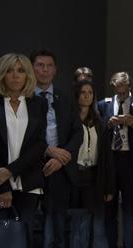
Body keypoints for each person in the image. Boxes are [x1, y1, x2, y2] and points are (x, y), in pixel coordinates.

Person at [0, 53, 48, 245]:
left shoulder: (39, 104)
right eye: (10, 70)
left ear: (28, 75)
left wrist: (10, 171)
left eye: (20, 71)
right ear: (1, 74)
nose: (16, 75)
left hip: (28, 181)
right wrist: (3, 185)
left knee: (23, 239)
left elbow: (40, 144)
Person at [30, 49, 82, 248]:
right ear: (32, 69)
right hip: (30, 167)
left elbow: (77, 132)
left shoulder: (66, 99)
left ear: (55, 70)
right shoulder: (23, 98)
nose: (44, 70)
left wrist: (61, 157)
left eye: (49, 66)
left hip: (60, 169)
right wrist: (47, 151)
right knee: (29, 222)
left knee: (59, 224)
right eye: (40, 65)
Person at [97, 72, 133, 248]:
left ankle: (130, 244)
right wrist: (108, 123)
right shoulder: (103, 105)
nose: (121, 95)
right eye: (117, 91)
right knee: (109, 209)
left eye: (124, 91)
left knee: (129, 209)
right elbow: (96, 131)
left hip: (130, 161)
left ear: (129, 86)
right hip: (109, 161)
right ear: (113, 87)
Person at [68, 79, 114, 248]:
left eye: (90, 93)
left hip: (94, 177)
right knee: (76, 223)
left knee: (95, 223)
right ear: (76, 95)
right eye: (83, 92)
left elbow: (106, 156)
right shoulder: (69, 121)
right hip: (72, 176)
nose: (87, 96)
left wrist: (109, 186)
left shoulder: (99, 123)